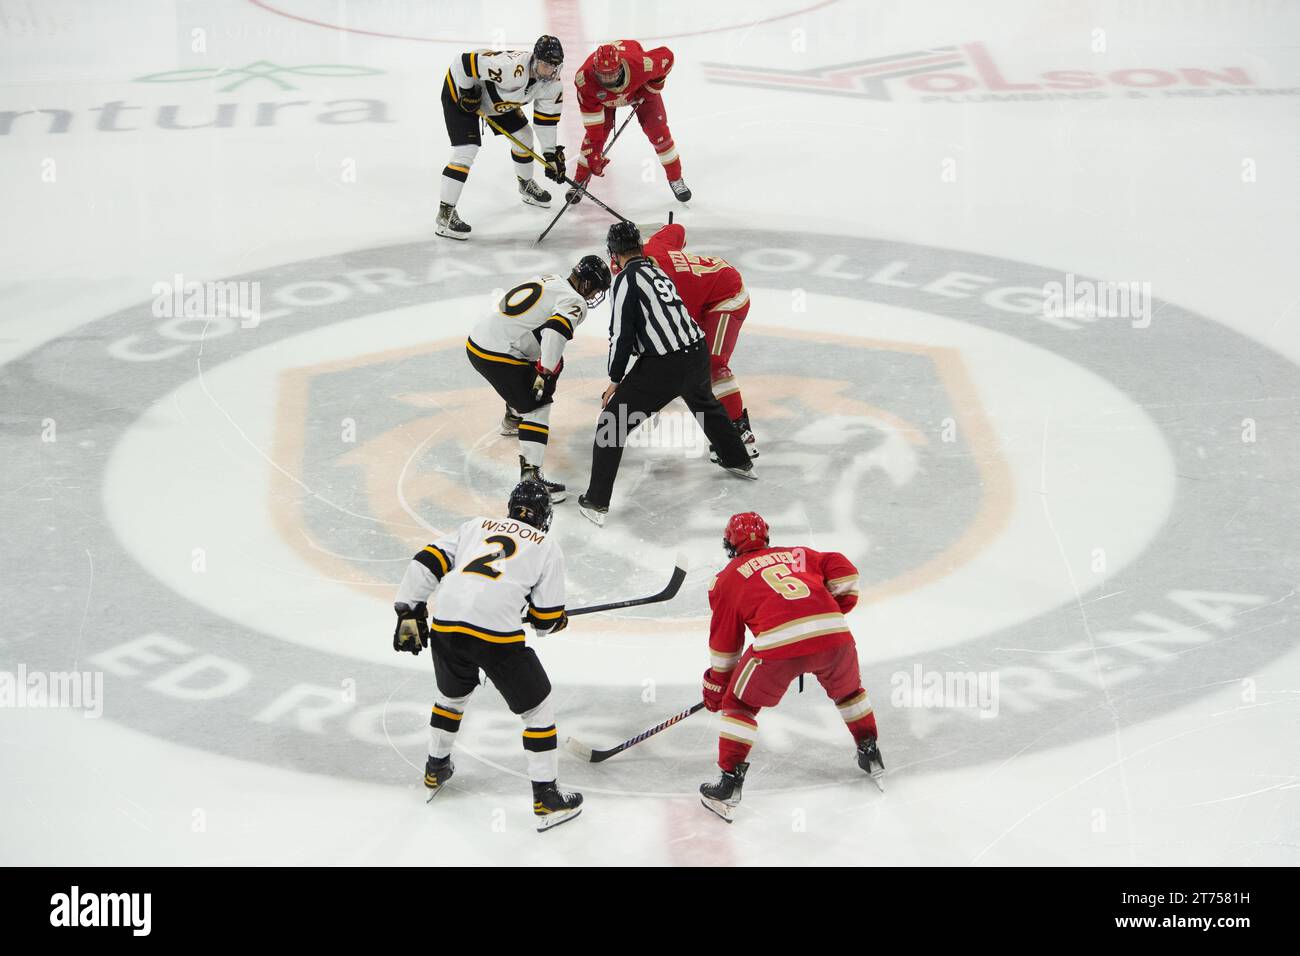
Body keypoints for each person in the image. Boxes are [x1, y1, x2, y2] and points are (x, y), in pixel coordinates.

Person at [392, 480, 583, 832]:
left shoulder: (475, 526)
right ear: (545, 516)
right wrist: (557, 620)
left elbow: (426, 560)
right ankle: (546, 798)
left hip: (447, 626)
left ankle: (435, 768)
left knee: (450, 698)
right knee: (537, 708)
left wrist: (409, 608)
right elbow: (543, 622)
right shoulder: (545, 545)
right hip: (496, 636)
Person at [699, 512, 885, 822]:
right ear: (768, 539)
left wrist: (718, 686)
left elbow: (725, 647)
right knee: (849, 692)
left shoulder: (725, 579)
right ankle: (870, 751)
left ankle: (729, 786)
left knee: (739, 705)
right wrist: (828, 613)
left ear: (728, 545)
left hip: (778, 648)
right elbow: (844, 571)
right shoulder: (798, 555)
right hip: (834, 636)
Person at [578, 221, 754, 527]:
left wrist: (615, 380)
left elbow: (620, 336)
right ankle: (739, 460)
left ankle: (596, 502)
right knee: (705, 405)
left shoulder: (625, 281)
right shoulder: (658, 271)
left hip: (666, 364)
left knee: (612, 424)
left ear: (614, 254)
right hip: (697, 351)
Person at [467, 255, 611, 502]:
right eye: (596, 289)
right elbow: (556, 331)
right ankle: (531, 477)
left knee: (536, 371)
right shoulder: (575, 300)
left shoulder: (551, 279)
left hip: (478, 341)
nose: (594, 295)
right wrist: (543, 372)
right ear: (587, 285)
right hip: (498, 353)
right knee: (538, 403)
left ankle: (513, 417)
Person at [633, 222, 756, 457]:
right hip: (707, 292)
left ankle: (740, 432)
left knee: (712, 363)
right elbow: (677, 229)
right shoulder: (653, 246)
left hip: (727, 296)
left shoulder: (666, 291)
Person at [437, 35, 567, 240]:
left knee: (524, 136)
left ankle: (525, 185)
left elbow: (546, 122)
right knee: (466, 150)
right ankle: (445, 215)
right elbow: (463, 62)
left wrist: (550, 155)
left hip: (499, 99)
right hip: (461, 92)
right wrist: (467, 91)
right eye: (545, 65)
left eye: (554, 66)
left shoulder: (553, 86)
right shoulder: (512, 69)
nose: (549, 71)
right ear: (535, 60)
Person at [566, 40, 691, 204]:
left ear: (620, 67)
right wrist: (595, 151)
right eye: (603, 75)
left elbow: (667, 58)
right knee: (593, 140)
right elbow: (593, 124)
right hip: (604, 101)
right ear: (595, 70)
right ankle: (579, 182)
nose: (609, 79)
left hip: (639, 92)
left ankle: (676, 178)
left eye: (612, 74)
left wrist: (651, 90)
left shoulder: (640, 65)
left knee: (659, 134)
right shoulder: (585, 80)